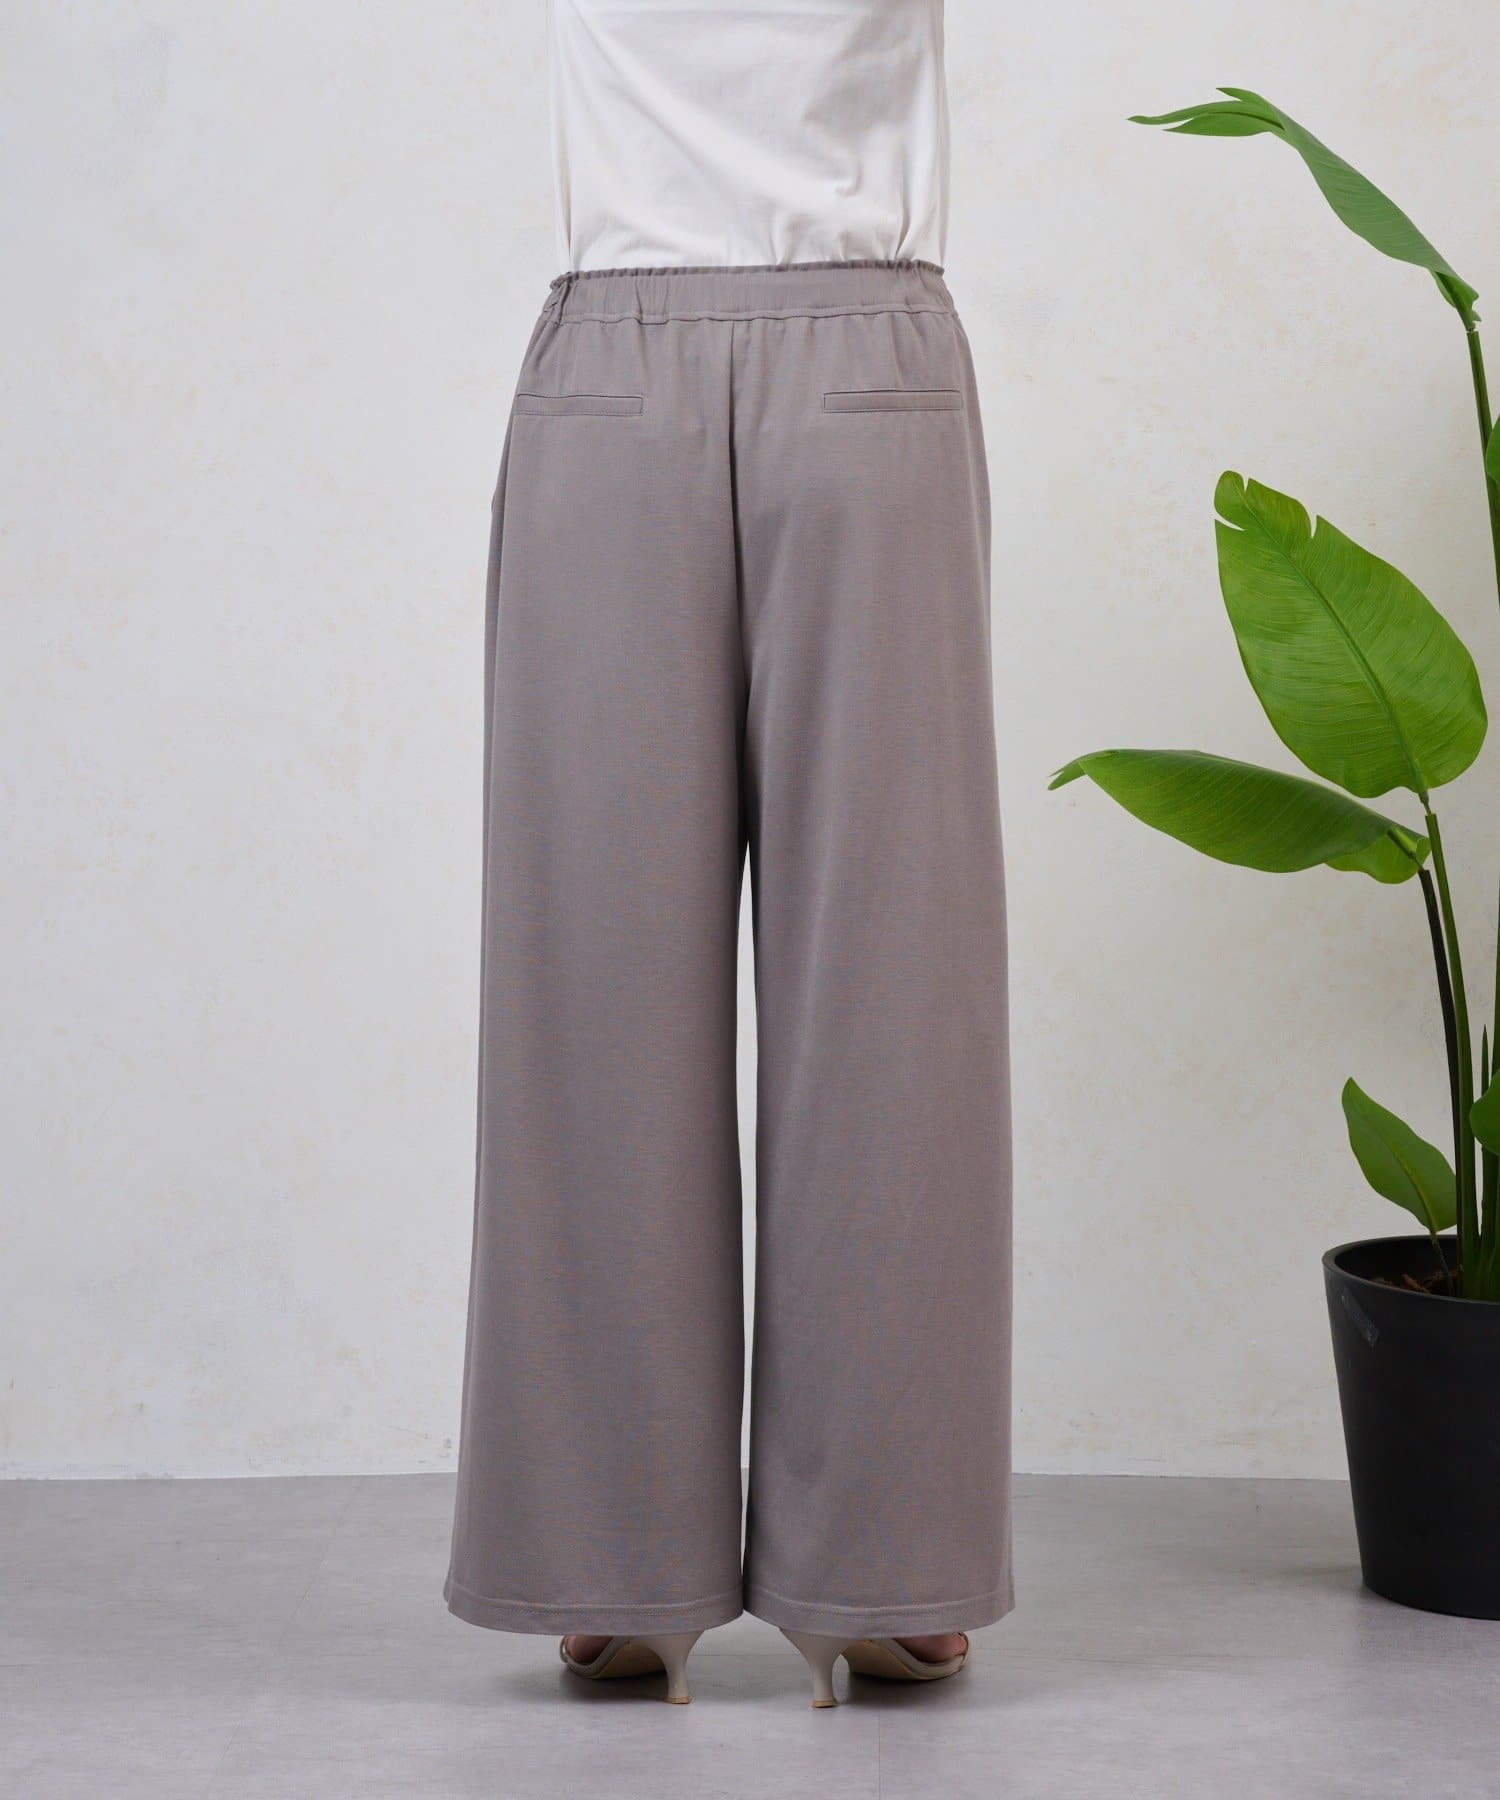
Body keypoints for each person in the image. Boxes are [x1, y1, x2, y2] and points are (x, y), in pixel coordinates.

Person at [444, 0, 1012, 1708]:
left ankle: (628, 1552)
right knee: (862, 971)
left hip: (707, 358)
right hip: (802, 358)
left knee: (628, 969)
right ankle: (868, 1556)